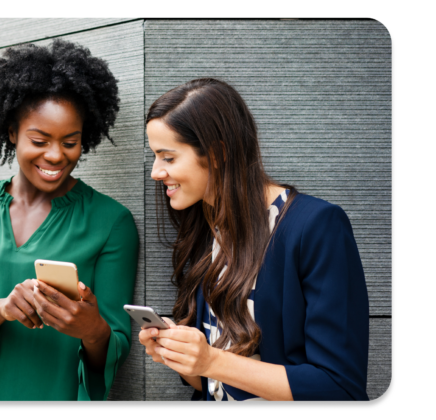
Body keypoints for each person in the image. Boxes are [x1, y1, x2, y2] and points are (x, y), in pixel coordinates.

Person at [0, 40, 139, 401]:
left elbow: (115, 346)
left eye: (70, 142)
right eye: (39, 140)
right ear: (12, 132)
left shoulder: (111, 223)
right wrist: (0, 309)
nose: (55, 155)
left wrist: (93, 329)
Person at [139, 78, 369, 401]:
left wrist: (211, 360)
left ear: (217, 153)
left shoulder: (316, 226)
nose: (155, 172)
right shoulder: (209, 228)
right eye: (155, 156)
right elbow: (212, 386)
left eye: (168, 157)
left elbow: (339, 387)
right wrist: (182, 356)